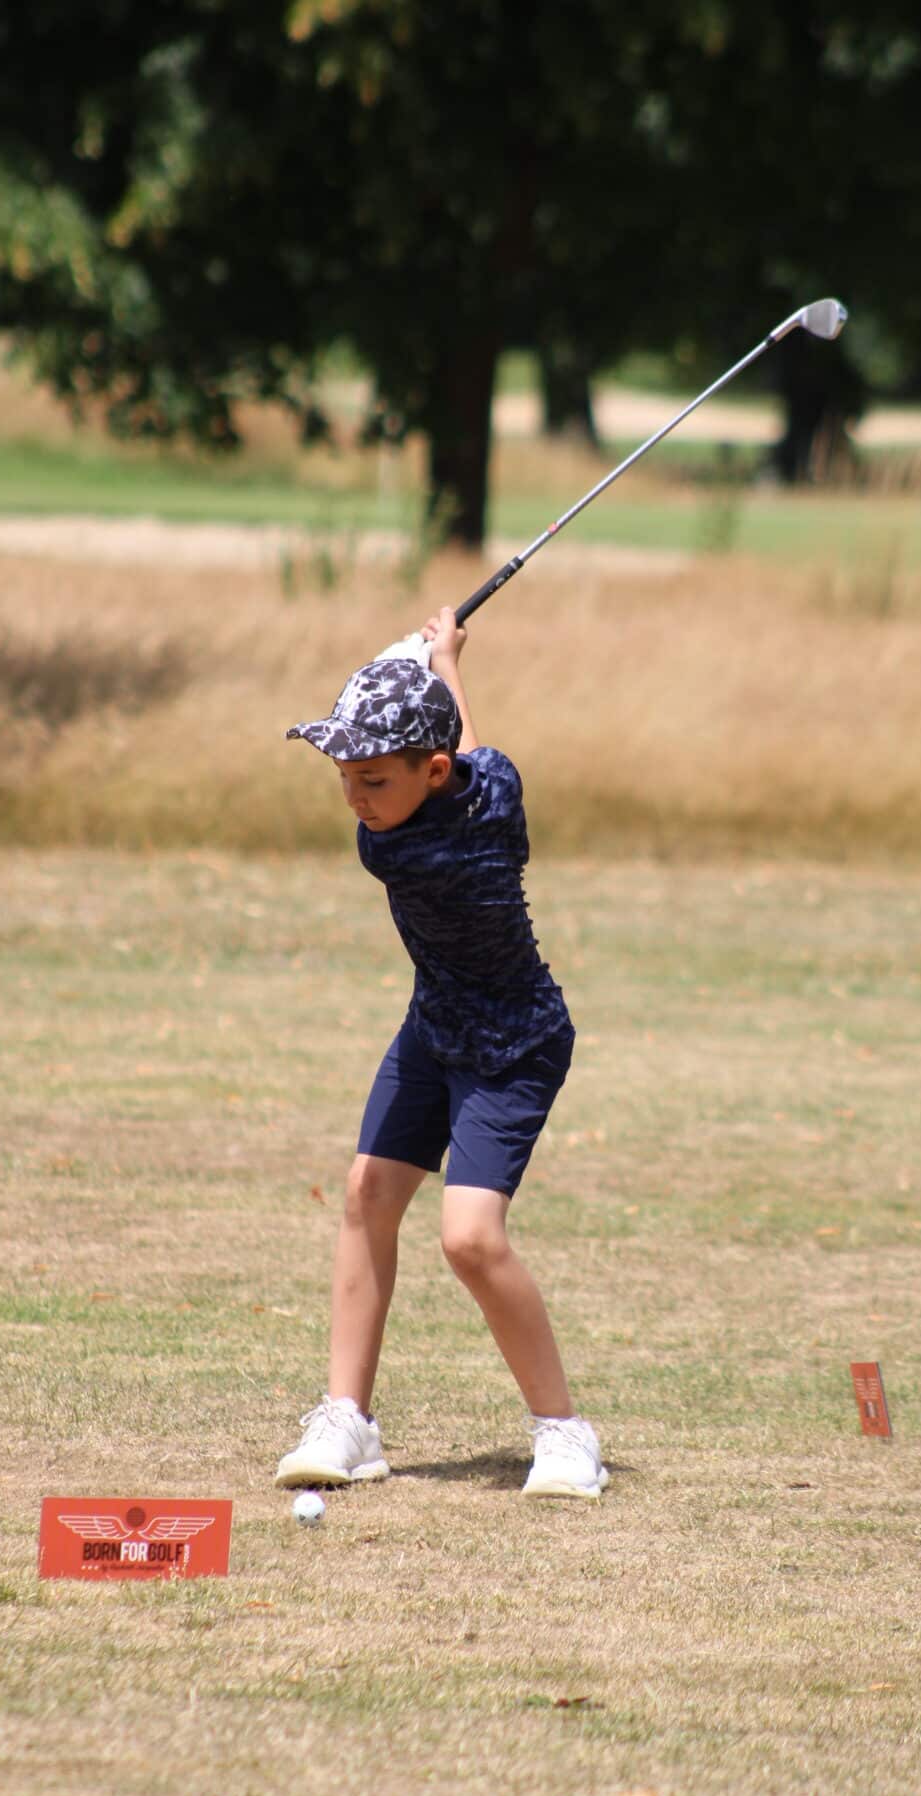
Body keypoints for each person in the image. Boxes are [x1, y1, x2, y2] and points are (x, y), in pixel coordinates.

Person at [276, 605, 609, 1499]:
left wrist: (427, 663)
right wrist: (447, 662)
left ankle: (566, 1433)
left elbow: (448, 744)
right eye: (344, 777)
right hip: (435, 1026)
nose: (356, 799)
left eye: (372, 778)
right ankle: (347, 1418)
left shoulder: (397, 847)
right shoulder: (493, 785)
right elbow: (469, 744)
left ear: (429, 773)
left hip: (514, 1044)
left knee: (469, 1239)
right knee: (368, 1194)